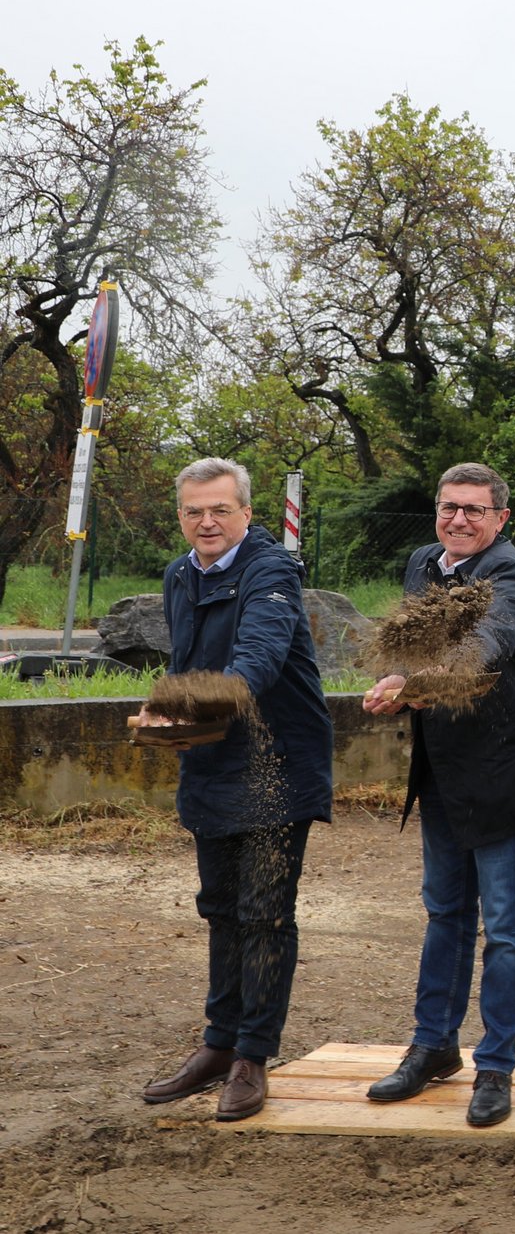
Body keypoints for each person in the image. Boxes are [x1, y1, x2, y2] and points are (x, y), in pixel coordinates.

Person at [359, 462, 515, 1129]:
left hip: (507, 774)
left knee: (505, 927)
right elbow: (412, 644)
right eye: (449, 506)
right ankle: (433, 1048)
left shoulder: (507, 575)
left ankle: (497, 1066)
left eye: (474, 510)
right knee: (444, 914)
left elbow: (483, 648)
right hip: (445, 772)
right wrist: (395, 678)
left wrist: (414, 680)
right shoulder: (425, 562)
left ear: (500, 520)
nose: (459, 520)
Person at [137, 458, 334, 1124]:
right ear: (182, 516)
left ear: (247, 514)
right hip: (214, 765)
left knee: (264, 913)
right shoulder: (178, 576)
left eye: (221, 509)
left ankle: (254, 1055)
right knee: (220, 907)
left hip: (278, 765)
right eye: (194, 511)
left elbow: (258, 658)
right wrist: (172, 721)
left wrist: (185, 708)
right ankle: (218, 1044)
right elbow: (185, 666)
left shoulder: (270, 571)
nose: (207, 522)